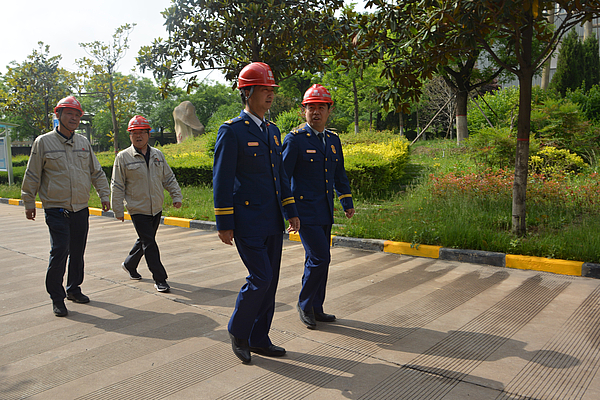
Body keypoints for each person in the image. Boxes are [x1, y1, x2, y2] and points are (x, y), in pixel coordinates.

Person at [213, 62, 300, 364]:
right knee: (260, 278)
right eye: (264, 89)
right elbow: (222, 180)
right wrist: (224, 222)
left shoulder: (274, 132)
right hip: (247, 221)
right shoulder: (232, 131)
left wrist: (291, 211)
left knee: (271, 281)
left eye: (272, 89)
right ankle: (239, 331)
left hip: (273, 221)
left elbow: (281, 177)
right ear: (247, 92)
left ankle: (260, 338)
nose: (270, 94)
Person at [21, 96, 111, 317]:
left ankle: (73, 289)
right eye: (69, 113)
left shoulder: (83, 143)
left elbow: (96, 172)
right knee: (60, 250)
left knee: (78, 252)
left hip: (80, 207)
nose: (74, 118)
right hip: (56, 208)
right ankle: (57, 297)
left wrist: (104, 194)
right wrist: (28, 200)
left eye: (77, 114)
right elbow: (33, 173)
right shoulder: (43, 142)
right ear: (58, 115)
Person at [282, 84, 355, 329]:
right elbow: (283, 178)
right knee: (320, 258)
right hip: (304, 213)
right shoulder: (295, 139)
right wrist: (289, 211)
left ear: (328, 110)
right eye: (310, 107)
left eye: (320, 107)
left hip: (325, 210)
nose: (315, 112)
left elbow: (339, 174)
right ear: (304, 111)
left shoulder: (333, 140)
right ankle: (304, 305)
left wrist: (346, 201)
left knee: (319, 259)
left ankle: (317, 307)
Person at [111, 115, 183, 293]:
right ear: (130, 135)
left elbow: (168, 177)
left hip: (156, 207)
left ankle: (129, 264)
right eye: (134, 133)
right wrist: (117, 208)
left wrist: (176, 196)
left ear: (148, 134)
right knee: (149, 243)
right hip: (138, 208)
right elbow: (117, 184)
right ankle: (160, 278)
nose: (138, 136)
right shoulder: (123, 157)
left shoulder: (158, 155)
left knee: (145, 240)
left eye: (142, 132)